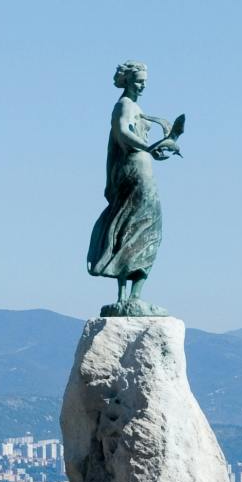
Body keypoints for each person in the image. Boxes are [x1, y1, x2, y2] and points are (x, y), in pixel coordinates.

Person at [86, 60, 180, 313]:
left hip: (144, 168)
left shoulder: (136, 106)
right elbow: (121, 133)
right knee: (135, 225)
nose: (142, 86)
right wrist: (147, 147)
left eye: (145, 83)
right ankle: (123, 294)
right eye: (139, 81)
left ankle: (135, 295)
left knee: (150, 228)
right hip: (134, 171)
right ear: (127, 81)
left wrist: (155, 150)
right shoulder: (124, 106)